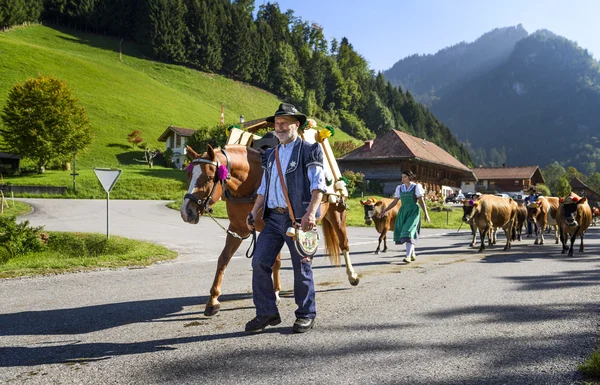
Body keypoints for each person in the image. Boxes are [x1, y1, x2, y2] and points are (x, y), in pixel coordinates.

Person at [245, 103, 326, 334]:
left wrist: (311, 212)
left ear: (296, 125)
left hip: (299, 219)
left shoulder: (310, 150)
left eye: (284, 123)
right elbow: (264, 186)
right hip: (272, 220)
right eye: (277, 123)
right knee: (259, 262)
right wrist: (254, 211)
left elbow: (318, 185)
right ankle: (266, 312)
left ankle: (306, 314)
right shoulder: (270, 154)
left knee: (302, 267)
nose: (279, 127)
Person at [378, 170, 431, 263]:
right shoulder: (400, 188)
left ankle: (408, 256)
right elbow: (394, 202)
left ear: (410, 177)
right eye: (402, 177)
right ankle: (412, 253)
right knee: (407, 233)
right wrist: (385, 210)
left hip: (413, 211)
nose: (403, 179)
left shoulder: (416, 187)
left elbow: (421, 201)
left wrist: (426, 214)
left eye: (405, 177)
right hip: (403, 211)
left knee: (408, 231)